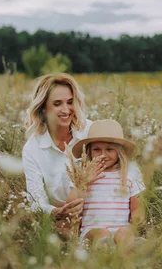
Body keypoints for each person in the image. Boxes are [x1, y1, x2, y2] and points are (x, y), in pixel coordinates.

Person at [22, 73, 93, 235]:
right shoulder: (32, 149)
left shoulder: (89, 131)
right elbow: (36, 202)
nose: (66, 110)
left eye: (70, 102)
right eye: (57, 104)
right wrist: (57, 212)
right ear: (43, 108)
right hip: (63, 220)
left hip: (97, 211)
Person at [65, 119, 145, 249]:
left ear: (119, 151)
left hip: (121, 228)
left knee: (124, 233)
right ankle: (106, 251)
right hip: (92, 230)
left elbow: (136, 205)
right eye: (97, 150)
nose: (103, 155)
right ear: (89, 151)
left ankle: (128, 251)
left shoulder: (130, 172)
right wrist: (85, 180)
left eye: (109, 149)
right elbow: (70, 205)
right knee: (101, 233)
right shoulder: (82, 172)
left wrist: (138, 216)